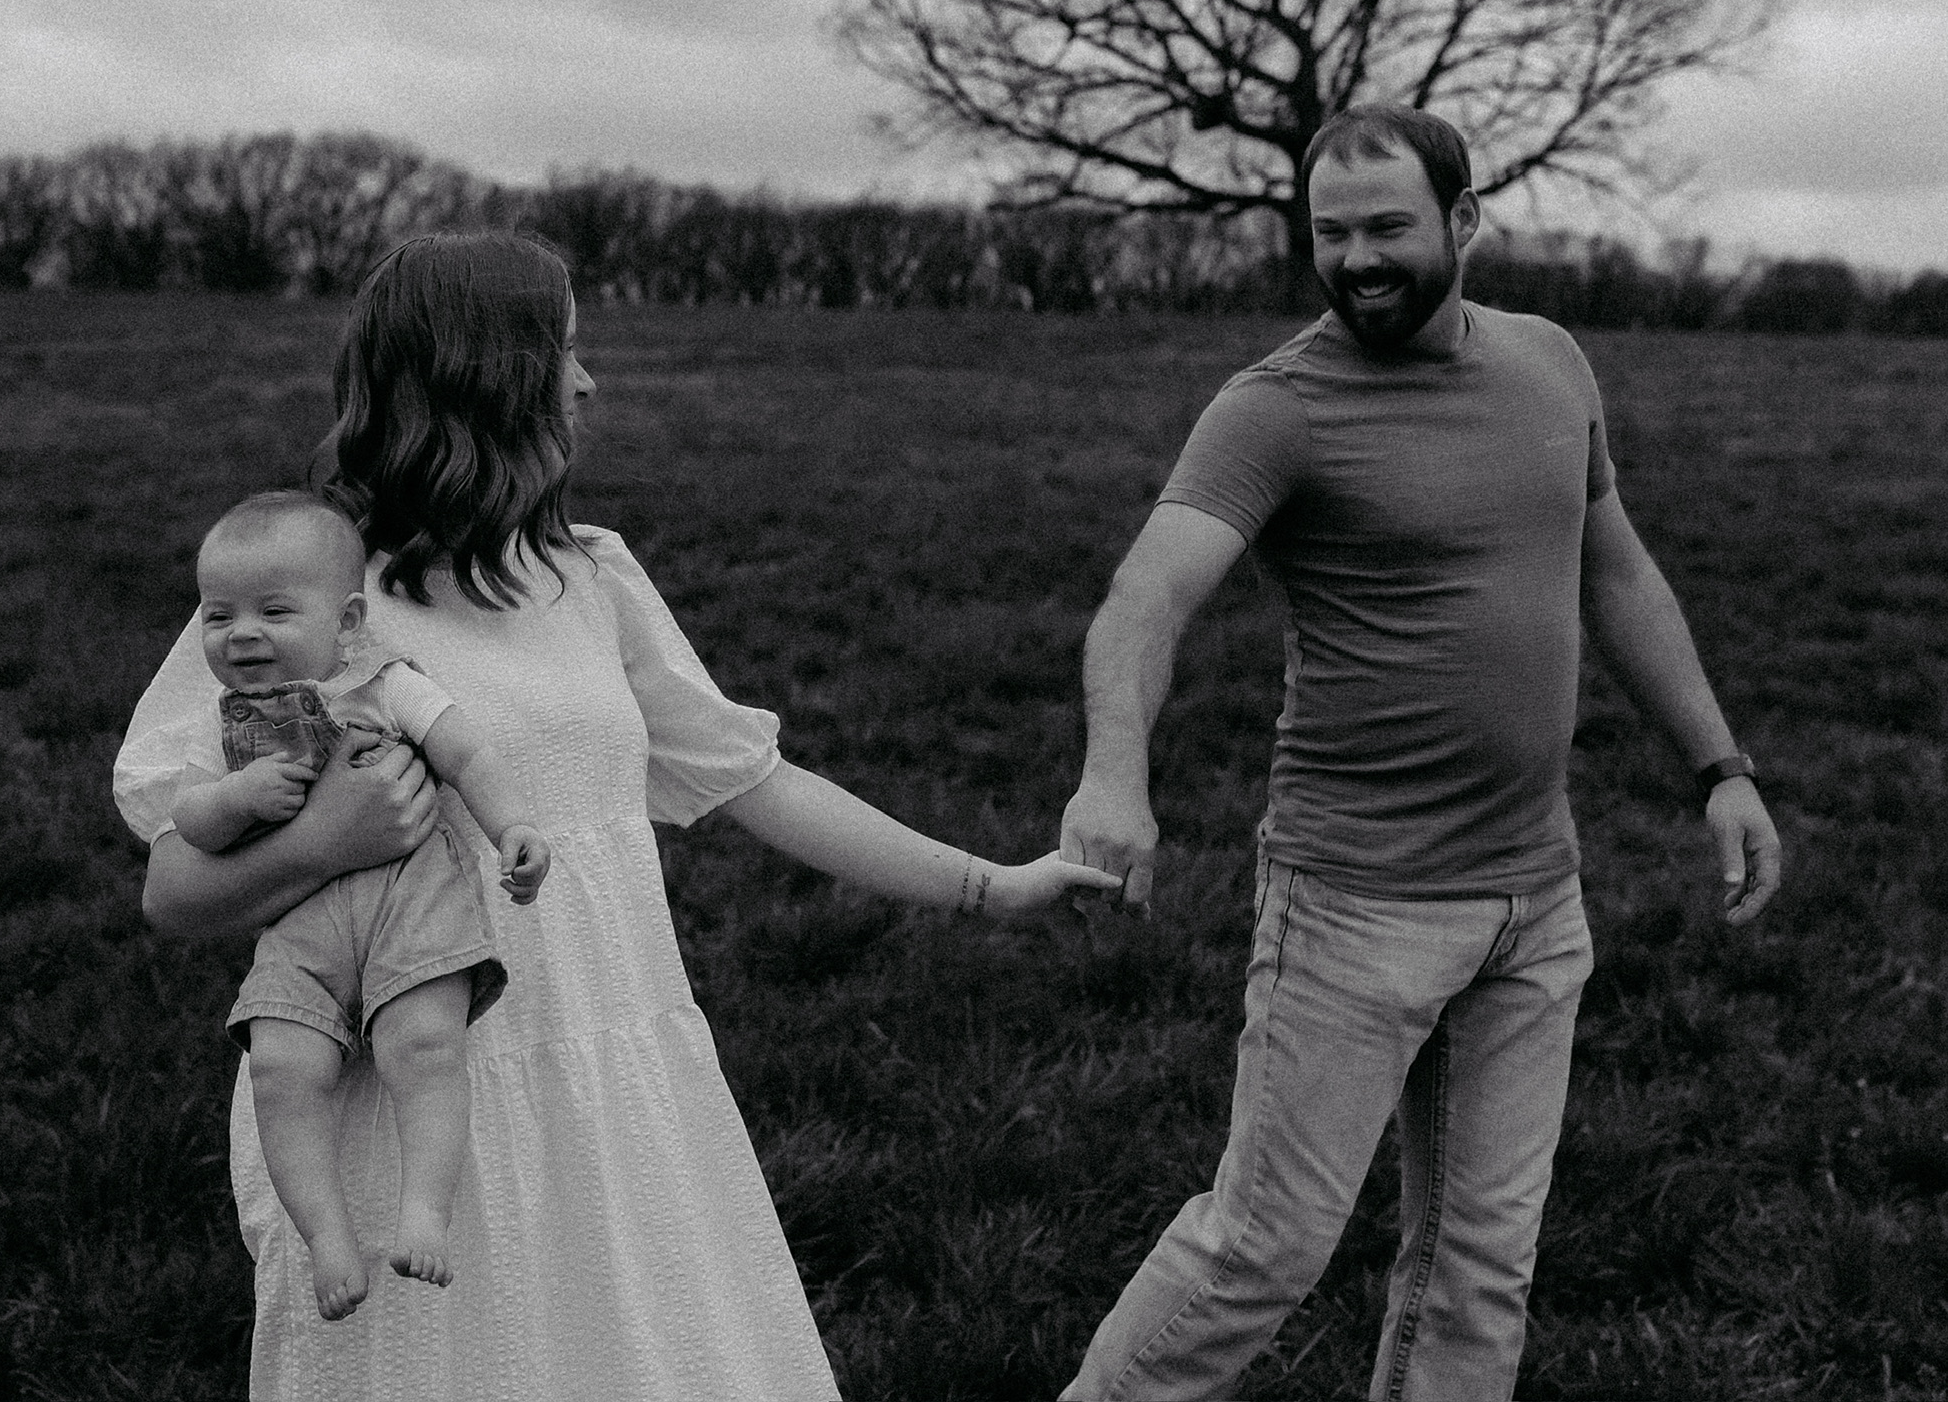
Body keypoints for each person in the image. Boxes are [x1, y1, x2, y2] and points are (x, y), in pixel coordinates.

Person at [116, 231, 1120, 1399]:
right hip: (421, 1086)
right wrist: (323, 841)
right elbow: (173, 892)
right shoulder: (307, 603)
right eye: (564, 354)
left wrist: (988, 886)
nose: (586, 384)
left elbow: (758, 781)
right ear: (485, 379)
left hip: (613, 1055)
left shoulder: (588, 576)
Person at [1052, 104, 1784, 1402]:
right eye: (1328, 234)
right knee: (1259, 1252)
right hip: (1354, 906)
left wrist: (1718, 768)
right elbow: (1144, 599)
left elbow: (1615, 573)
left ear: (1463, 220)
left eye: (1386, 228)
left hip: (1535, 902)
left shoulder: (1551, 362)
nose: (1356, 261)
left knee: (1480, 1271)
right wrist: (1114, 774)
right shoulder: (1275, 408)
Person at [134, 487, 552, 1322]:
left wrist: (514, 826)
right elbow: (192, 824)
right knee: (282, 1068)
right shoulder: (221, 726)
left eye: (273, 612)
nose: (241, 634)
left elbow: (467, 756)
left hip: (412, 902)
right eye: (218, 616)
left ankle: (424, 1209)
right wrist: (238, 797)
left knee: (423, 1044)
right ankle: (326, 1234)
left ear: (348, 620)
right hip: (301, 927)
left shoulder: (387, 686)